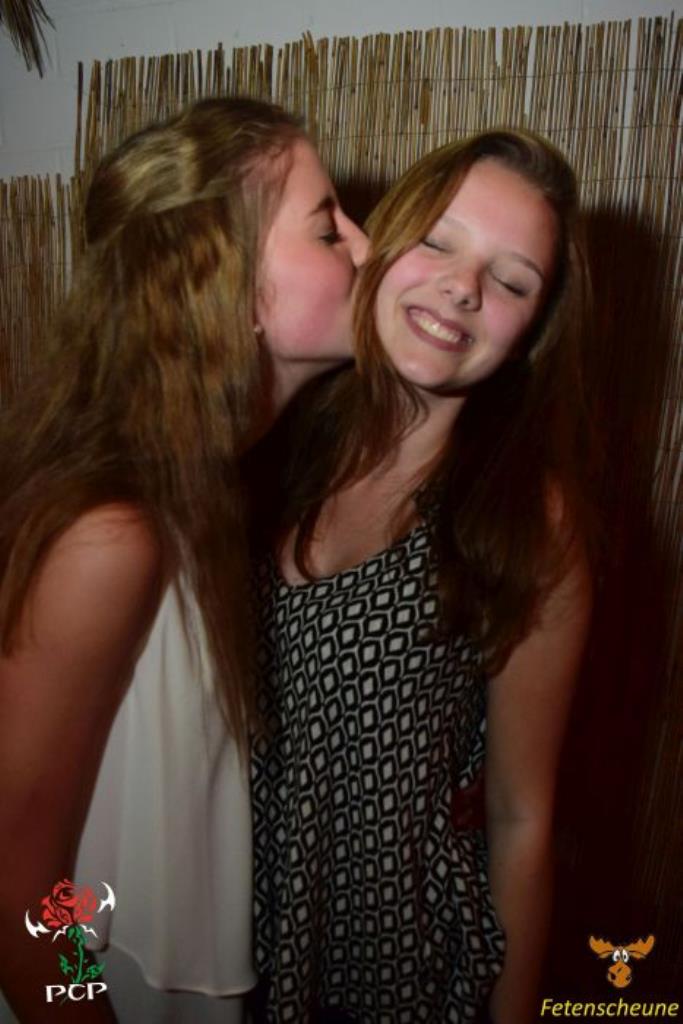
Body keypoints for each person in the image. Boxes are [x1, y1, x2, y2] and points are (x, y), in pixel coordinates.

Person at [0, 96, 367, 1023]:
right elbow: (15, 884)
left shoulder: (207, 498)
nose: (368, 249)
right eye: (329, 228)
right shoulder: (113, 535)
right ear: (229, 284)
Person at [251, 129, 595, 1023]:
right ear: (381, 241)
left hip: (397, 968)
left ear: (532, 332)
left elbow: (520, 818)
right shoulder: (268, 444)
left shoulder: (526, 520)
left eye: (511, 281)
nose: (463, 287)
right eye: (438, 241)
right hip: (218, 933)